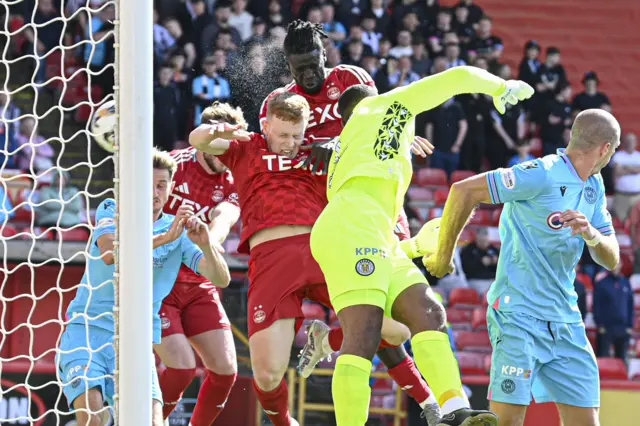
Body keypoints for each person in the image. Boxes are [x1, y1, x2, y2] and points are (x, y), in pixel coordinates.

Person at [310, 66, 533, 426]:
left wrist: (414, 245)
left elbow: (375, 224)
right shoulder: (381, 106)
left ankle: (454, 410)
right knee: (364, 332)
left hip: (369, 230)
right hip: (353, 225)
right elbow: (456, 76)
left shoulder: (360, 147)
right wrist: (499, 86)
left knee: (427, 312)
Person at [259, 20, 442, 424]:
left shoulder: (350, 79)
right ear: (287, 65)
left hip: (375, 202)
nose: (306, 74)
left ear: (325, 55)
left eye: (312, 64)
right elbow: (274, 150)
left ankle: (335, 341)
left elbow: (377, 125)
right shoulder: (280, 100)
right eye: (297, 67)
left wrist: (339, 142)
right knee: (372, 313)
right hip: (325, 214)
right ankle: (431, 404)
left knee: (397, 317)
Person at [425, 109, 620, 426]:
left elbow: (612, 259)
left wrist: (592, 234)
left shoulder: (593, 187)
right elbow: (463, 191)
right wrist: (443, 256)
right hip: (518, 315)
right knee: (508, 421)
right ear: (605, 149)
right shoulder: (540, 173)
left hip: (565, 319)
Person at [56, 149, 231, 426]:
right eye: (147, 184)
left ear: (171, 188)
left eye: (161, 185)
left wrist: (207, 243)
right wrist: (163, 238)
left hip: (137, 341)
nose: (154, 192)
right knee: (91, 418)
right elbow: (110, 254)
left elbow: (221, 279)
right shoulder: (112, 209)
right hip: (88, 331)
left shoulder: (180, 232)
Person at [155, 103, 241, 424]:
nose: (223, 155)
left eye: (228, 149)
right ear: (201, 143)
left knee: (226, 371)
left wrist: (209, 240)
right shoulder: (172, 167)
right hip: (159, 284)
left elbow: (224, 220)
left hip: (199, 282)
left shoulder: (234, 179)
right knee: (182, 368)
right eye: (216, 147)